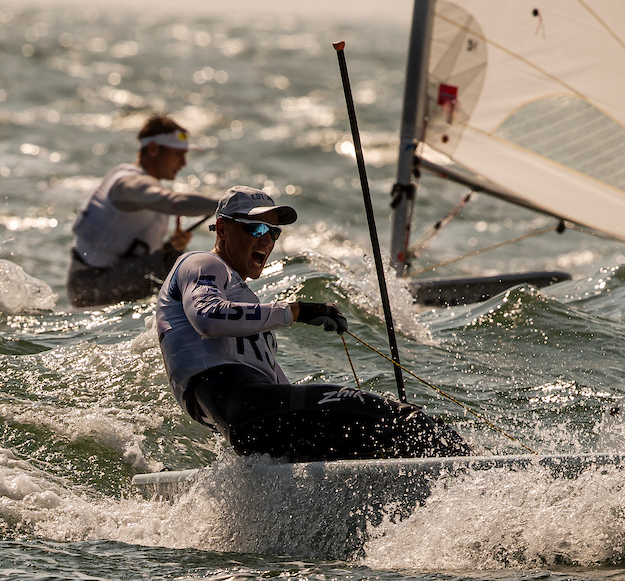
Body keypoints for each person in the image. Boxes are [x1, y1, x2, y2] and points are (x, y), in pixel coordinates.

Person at [155, 186, 470, 463]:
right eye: (256, 230)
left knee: (373, 446)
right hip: (242, 405)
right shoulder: (202, 263)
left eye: (274, 232)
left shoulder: (242, 297)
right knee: (407, 422)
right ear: (221, 229)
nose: (267, 240)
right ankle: (479, 475)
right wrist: (296, 311)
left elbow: (278, 390)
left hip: (250, 421)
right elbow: (207, 316)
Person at [67, 115, 218, 307]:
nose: (183, 163)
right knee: (182, 266)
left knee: (178, 257)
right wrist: (226, 203)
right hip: (90, 284)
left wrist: (171, 246)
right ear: (154, 149)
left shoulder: (150, 190)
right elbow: (173, 202)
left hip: (111, 278)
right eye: (178, 154)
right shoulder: (129, 183)